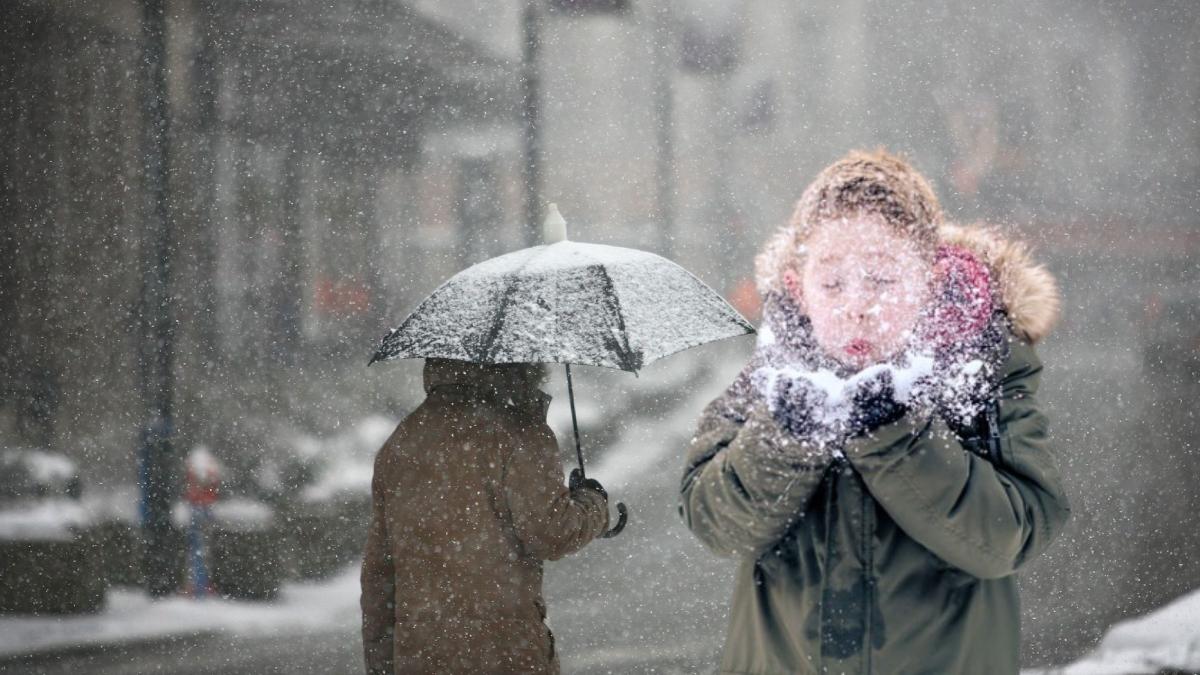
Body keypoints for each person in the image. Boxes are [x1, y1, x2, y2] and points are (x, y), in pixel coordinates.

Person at [679, 149, 1071, 674]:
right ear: (800, 288)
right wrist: (787, 436)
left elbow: (1011, 535)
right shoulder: (772, 380)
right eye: (833, 283)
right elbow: (715, 521)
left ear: (930, 283)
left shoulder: (981, 369)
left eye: (883, 280)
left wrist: (895, 433)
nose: (857, 304)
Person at [361, 358, 610, 675]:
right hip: (505, 652)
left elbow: (379, 579)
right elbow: (551, 533)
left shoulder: (401, 442)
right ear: (520, 363)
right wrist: (592, 503)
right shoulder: (520, 434)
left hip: (421, 655)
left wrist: (382, 664)